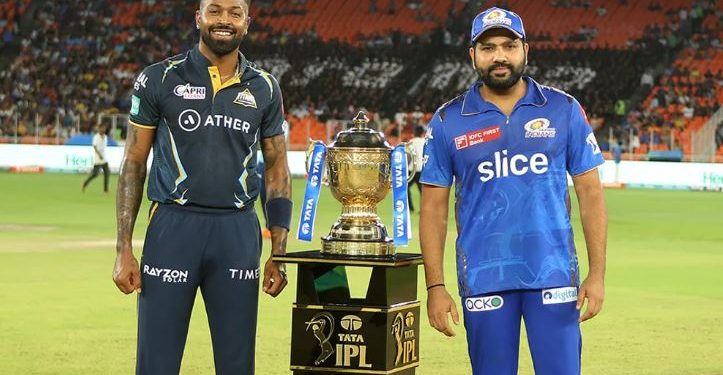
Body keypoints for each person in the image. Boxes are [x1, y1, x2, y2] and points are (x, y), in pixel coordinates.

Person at [419, 7, 607, 375]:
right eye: (488, 47)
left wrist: (597, 275)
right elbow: (433, 211)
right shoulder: (447, 120)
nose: (500, 56)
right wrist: (435, 287)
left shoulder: (563, 109)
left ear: (526, 50)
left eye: (509, 45)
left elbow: (591, 196)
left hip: (553, 277)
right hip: (484, 278)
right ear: (472, 55)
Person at [111, 1, 292, 374]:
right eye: (215, 10)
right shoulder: (160, 78)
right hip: (173, 229)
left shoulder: (265, 87)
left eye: (234, 12)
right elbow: (132, 162)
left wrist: (279, 250)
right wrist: (123, 248)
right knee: (156, 362)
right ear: (198, 18)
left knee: (236, 363)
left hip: (238, 232)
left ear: (247, 22)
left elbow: (276, 168)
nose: (224, 20)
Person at [81, 124, 110, 193]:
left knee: (107, 173)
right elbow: (95, 147)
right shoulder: (96, 137)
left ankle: (105, 190)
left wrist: (102, 155)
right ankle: (85, 184)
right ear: (99, 129)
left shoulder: (105, 137)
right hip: (98, 159)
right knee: (95, 174)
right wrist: (99, 155)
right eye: (102, 128)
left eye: (104, 128)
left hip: (104, 158)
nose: (103, 130)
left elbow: (104, 146)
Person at [407, 125, 425, 212]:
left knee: (406, 188)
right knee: (423, 191)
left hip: (411, 169)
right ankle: (423, 209)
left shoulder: (411, 142)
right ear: (422, 133)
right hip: (421, 169)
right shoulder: (425, 141)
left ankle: (410, 208)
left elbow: (408, 156)